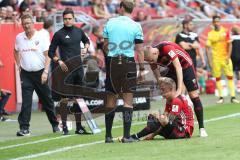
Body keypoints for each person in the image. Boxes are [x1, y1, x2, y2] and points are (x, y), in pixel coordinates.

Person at [144, 41, 208, 137]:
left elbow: (179, 67)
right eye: (149, 61)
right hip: (172, 69)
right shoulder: (151, 56)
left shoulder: (167, 48)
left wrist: (179, 88)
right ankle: (171, 124)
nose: (151, 63)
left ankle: (202, 128)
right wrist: (161, 84)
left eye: (151, 60)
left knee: (193, 95)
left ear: (155, 53)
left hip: (185, 66)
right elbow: (156, 72)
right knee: (169, 95)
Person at [103, 0, 145, 143]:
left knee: (111, 99)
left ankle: (108, 136)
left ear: (121, 8)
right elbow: (139, 51)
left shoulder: (110, 23)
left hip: (113, 62)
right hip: (128, 63)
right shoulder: (136, 26)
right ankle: (126, 136)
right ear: (132, 10)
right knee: (128, 100)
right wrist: (142, 69)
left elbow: (105, 46)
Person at [14, 14, 59, 136]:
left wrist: (45, 72)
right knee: (26, 102)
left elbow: (47, 56)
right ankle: (24, 128)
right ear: (22, 25)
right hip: (26, 74)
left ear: (33, 23)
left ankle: (55, 125)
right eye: (24, 23)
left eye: (29, 23)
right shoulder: (19, 38)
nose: (27, 25)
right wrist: (18, 64)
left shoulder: (41, 36)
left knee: (47, 100)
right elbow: (15, 51)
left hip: (40, 73)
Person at [48, 8, 91, 135]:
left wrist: (86, 48)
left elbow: (86, 41)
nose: (67, 21)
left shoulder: (79, 31)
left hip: (78, 70)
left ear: (74, 19)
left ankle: (79, 127)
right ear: (63, 19)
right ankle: (65, 127)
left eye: (69, 19)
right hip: (66, 72)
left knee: (79, 98)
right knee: (65, 100)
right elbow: (51, 52)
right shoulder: (59, 34)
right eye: (65, 19)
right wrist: (59, 61)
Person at [206, 15, 239, 104]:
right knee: (218, 78)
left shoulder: (226, 31)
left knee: (230, 77)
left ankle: (233, 97)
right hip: (216, 59)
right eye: (215, 22)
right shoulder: (210, 34)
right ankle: (221, 97)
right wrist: (209, 61)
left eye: (218, 21)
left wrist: (228, 56)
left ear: (220, 22)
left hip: (225, 58)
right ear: (213, 23)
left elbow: (230, 44)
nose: (217, 23)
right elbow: (207, 48)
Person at [230, 25, 240, 93]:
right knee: (239, 72)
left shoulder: (231, 38)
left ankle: (233, 87)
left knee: (232, 72)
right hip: (239, 56)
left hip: (232, 57)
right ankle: (239, 87)